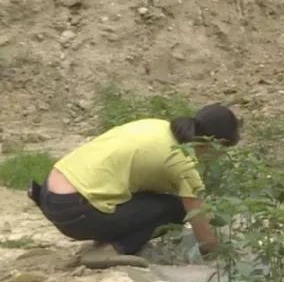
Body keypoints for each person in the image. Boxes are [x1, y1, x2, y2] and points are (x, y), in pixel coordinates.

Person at [28, 103, 240, 269]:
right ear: (216, 144)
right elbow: (202, 231)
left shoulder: (157, 126)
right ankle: (111, 249)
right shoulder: (184, 163)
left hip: (49, 194)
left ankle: (102, 238)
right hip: (74, 212)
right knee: (175, 209)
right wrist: (222, 261)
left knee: (147, 197)